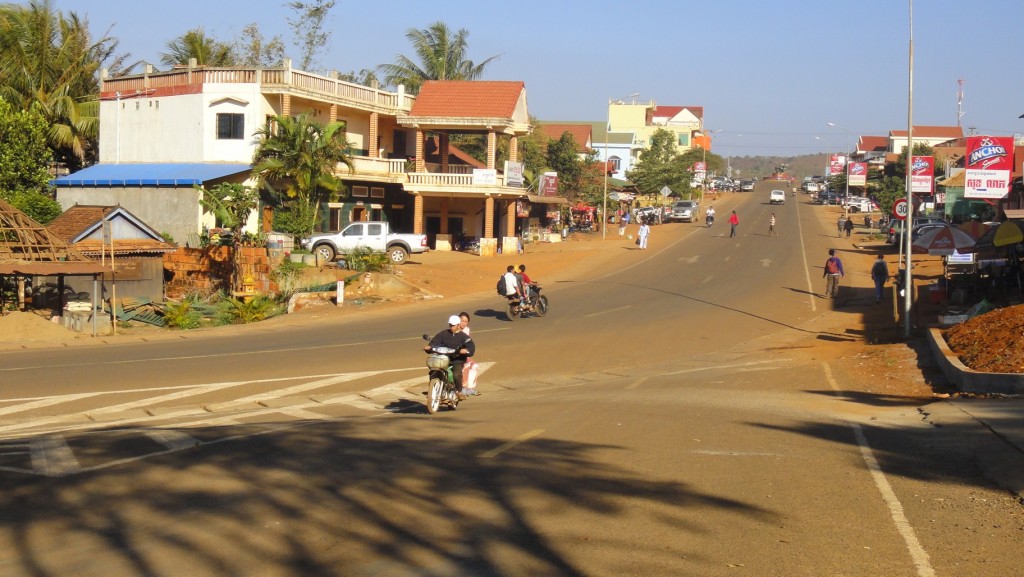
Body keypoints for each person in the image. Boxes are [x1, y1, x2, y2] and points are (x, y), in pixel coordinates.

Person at [425, 315, 476, 399]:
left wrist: (466, 351)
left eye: (453, 325)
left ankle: (459, 391)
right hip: (443, 359)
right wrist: (429, 347)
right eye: (450, 325)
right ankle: (433, 390)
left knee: (456, 374)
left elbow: (471, 347)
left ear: (458, 325)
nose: (451, 327)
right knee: (433, 371)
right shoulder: (444, 334)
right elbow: (434, 342)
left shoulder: (464, 337)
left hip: (457, 360)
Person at [458, 312, 479, 395]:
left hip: (463, 354)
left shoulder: (467, 330)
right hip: (454, 355)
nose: (463, 323)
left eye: (465, 322)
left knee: (474, 365)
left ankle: (470, 388)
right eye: (462, 321)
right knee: (466, 366)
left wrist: (467, 350)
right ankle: (463, 387)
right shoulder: (454, 328)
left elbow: (468, 343)